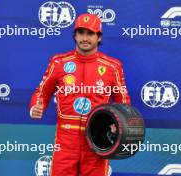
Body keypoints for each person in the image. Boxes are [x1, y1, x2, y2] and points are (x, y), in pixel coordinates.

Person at [30, 13, 131, 176]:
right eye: (81, 32)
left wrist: (120, 122)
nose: (85, 38)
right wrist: (36, 106)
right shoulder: (58, 62)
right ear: (75, 35)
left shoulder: (112, 66)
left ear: (99, 37)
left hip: (97, 138)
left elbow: (123, 101)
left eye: (90, 33)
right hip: (65, 140)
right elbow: (42, 91)